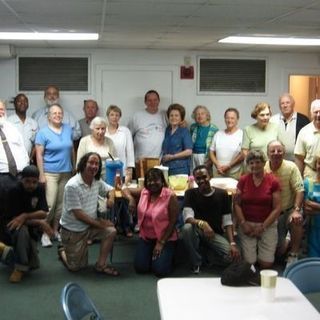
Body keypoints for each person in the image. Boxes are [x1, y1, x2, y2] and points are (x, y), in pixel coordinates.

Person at [58, 152, 118, 275]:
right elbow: (78, 214)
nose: (94, 166)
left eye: (97, 164)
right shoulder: (72, 185)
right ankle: (62, 251)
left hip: (89, 226)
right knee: (76, 267)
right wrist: (101, 224)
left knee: (111, 231)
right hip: (73, 230)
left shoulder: (96, 180)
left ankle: (101, 265)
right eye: (91, 162)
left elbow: (111, 189)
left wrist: (110, 199)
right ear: (83, 164)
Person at [181, 165, 240, 274]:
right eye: (198, 178)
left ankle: (207, 256)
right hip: (197, 230)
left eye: (204, 177)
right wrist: (203, 224)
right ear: (195, 179)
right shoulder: (190, 194)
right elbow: (188, 218)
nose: (202, 180)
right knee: (186, 228)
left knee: (232, 257)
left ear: (210, 176)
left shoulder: (222, 194)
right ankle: (196, 262)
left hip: (214, 234)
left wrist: (232, 243)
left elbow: (227, 221)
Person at [1, 165, 51, 283]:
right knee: (21, 230)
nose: (31, 185)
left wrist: (26, 216)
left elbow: (43, 213)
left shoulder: (39, 189)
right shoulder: (14, 191)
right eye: (27, 181)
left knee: (33, 264)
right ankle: (20, 268)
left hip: (30, 226)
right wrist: (40, 223)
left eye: (34, 182)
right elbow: (15, 220)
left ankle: (5, 252)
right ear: (21, 179)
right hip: (10, 227)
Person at [127, 168, 179, 277]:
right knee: (141, 268)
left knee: (160, 271)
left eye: (156, 180)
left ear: (162, 181)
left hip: (164, 237)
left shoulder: (170, 196)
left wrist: (161, 243)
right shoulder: (144, 192)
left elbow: (173, 221)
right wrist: (131, 199)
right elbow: (124, 189)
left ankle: (170, 254)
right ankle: (154, 255)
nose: (152, 183)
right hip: (146, 237)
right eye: (149, 180)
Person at [35, 104, 74, 247]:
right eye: (54, 113)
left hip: (66, 172)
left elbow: (71, 150)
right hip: (50, 173)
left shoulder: (68, 129)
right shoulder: (43, 133)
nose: (57, 115)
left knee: (61, 206)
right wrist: (41, 174)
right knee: (50, 205)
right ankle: (45, 233)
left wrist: (74, 167)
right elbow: (39, 154)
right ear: (48, 116)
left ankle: (55, 231)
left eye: (60, 113)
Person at [234, 149, 281, 269]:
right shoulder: (243, 180)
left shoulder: (273, 181)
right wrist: (243, 223)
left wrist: (263, 226)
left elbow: (277, 208)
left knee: (266, 264)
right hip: (247, 224)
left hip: (267, 224)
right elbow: (237, 204)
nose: (254, 165)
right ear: (248, 165)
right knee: (250, 262)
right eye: (251, 163)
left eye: (257, 162)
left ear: (264, 162)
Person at [265, 140, 304, 267]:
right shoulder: (263, 168)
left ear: (284, 152)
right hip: (271, 213)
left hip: (289, 210)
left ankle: (294, 254)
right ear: (267, 153)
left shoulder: (291, 167)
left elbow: (299, 190)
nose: (276, 153)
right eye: (273, 151)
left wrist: (296, 209)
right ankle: (286, 242)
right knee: (278, 253)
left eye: (279, 150)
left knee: (296, 220)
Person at [0, 100, 29, 242]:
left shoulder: (11, 127)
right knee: (2, 213)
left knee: (18, 211)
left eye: (2, 109)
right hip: (2, 176)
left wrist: (25, 171)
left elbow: (22, 149)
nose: (1, 111)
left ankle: (17, 244)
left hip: (18, 175)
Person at [128, 90, 167, 161]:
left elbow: (175, 124)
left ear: (159, 101)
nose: (153, 103)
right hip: (140, 161)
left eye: (155, 100)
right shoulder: (137, 116)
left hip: (159, 161)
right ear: (145, 102)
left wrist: (183, 122)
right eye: (149, 100)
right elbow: (128, 136)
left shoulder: (165, 114)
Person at [270, 93, 309, 161]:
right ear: (279, 106)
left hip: (298, 160)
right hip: (277, 160)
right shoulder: (273, 120)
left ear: (293, 104)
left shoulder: (303, 120)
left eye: (288, 102)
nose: (285, 105)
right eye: (282, 103)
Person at [210, 107, 244, 179]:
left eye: (232, 118)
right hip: (218, 172)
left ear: (237, 120)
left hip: (235, 174)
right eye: (227, 118)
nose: (229, 120)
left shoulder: (242, 134)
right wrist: (217, 165)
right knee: (218, 190)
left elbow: (243, 155)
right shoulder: (218, 134)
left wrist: (229, 166)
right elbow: (211, 152)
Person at [105, 105, 135, 185]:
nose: (114, 117)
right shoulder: (103, 131)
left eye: (117, 115)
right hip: (106, 170)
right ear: (107, 116)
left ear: (119, 117)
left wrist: (130, 169)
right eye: (112, 115)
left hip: (122, 169)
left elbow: (130, 150)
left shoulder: (125, 131)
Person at [161, 103, 193, 175]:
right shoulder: (167, 130)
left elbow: (189, 151)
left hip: (180, 169)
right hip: (167, 168)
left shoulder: (184, 131)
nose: (173, 118)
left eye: (176, 115)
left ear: (181, 117)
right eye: (171, 115)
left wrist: (173, 157)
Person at [294, 99, 320, 179]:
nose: (318, 115)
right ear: (311, 114)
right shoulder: (304, 132)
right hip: (310, 176)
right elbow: (299, 158)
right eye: (316, 112)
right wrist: (299, 180)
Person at [7, 93, 38, 159]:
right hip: (12, 161)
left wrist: (31, 158)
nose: (22, 103)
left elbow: (36, 143)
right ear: (14, 104)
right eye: (19, 101)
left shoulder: (33, 123)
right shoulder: (8, 122)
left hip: (27, 161)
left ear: (28, 104)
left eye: (25, 101)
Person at [190, 105, 218, 171]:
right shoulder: (193, 127)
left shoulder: (214, 129)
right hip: (193, 156)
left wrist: (210, 161)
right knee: (193, 177)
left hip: (205, 157)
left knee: (204, 177)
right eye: (197, 114)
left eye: (202, 114)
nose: (200, 116)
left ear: (207, 115)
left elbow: (216, 148)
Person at [303, 156, 320, 257]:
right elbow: (307, 209)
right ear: (315, 165)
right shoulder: (308, 183)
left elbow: (311, 206)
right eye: (319, 163)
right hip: (313, 231)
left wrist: (316, 207)